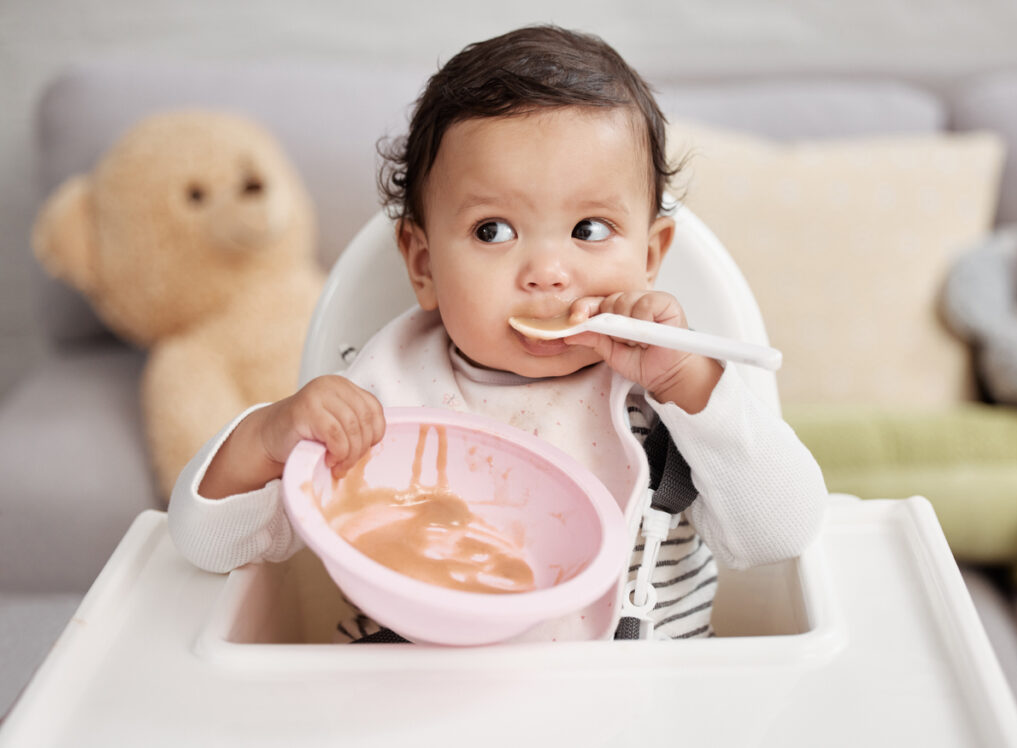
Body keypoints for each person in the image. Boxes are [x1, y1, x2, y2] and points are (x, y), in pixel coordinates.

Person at [168, 25, 827, 643]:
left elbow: (781, 536)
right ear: (423, 265)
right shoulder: (384, 389)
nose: (546, 272)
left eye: (590, 230)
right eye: (493, 231)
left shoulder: (669, 387)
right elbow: (208, 543)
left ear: (651, 255)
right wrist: (264, 437)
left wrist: (691, 385)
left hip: (643, 706)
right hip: (423, 707)